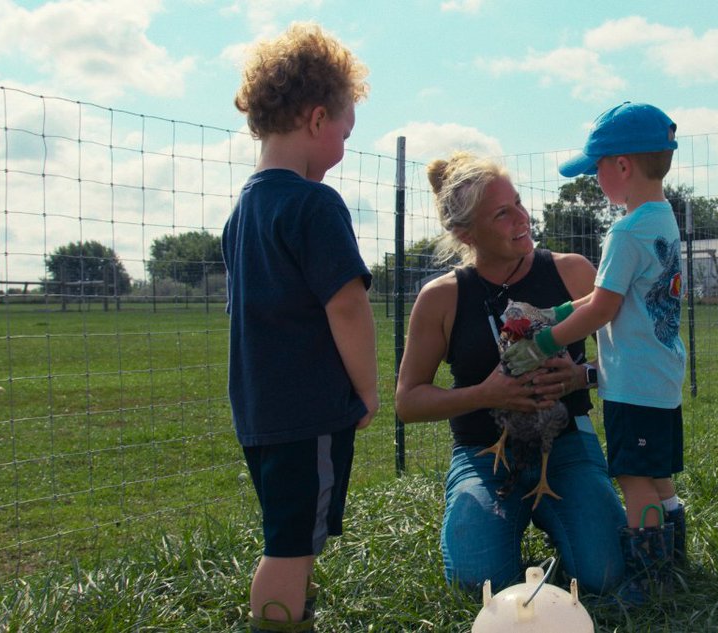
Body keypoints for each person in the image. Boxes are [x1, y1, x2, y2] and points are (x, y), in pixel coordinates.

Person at [394, 151, 627, 597]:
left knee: (606, 575)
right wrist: (485, 394)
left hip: (566, 444)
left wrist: (582, 377)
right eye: (503, 213)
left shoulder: (572, 273)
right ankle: (507, 533)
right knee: (476, 581)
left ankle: (566, 533)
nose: (522, 217)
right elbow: (409, 402)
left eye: (519, 202)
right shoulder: (440, 298)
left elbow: (628, 359)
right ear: (464, 232)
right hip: (483, 453)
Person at [222, 22, 376, 633]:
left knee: (291, 532)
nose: (343, 143)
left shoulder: (245, 209)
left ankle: (295, 613)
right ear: (317, 120)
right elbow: (347, 307)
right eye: (345, 130)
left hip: (260, 411)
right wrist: (365, 389)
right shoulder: (315, 205)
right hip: (307, 411)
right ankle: (280, 621)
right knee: (289, 546)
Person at [502, 102, 688, 590]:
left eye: (597, 171)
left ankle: (650, 577)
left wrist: (542, 342)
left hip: (634, 382)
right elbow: (603, 296)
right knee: (658, 472)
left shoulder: (626, 232)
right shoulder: (662, 218)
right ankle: (676, 552)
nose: (594, 181)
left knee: (633, 480)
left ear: (622, 166)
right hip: (661, 374)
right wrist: (561, 311)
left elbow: (603, 310)